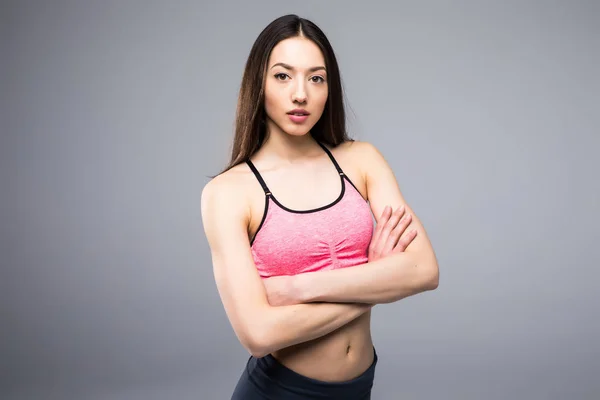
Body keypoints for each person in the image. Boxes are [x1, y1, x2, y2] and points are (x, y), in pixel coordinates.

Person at [201, 14, 439, 399]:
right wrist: (376, 280)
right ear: (258, 84)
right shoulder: (229, 192)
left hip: (359, 388)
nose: (301, 94)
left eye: (316, 78)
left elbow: (424, 269)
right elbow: (258, 335)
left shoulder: (361, 161)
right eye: (283, 76)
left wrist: (298, 287)